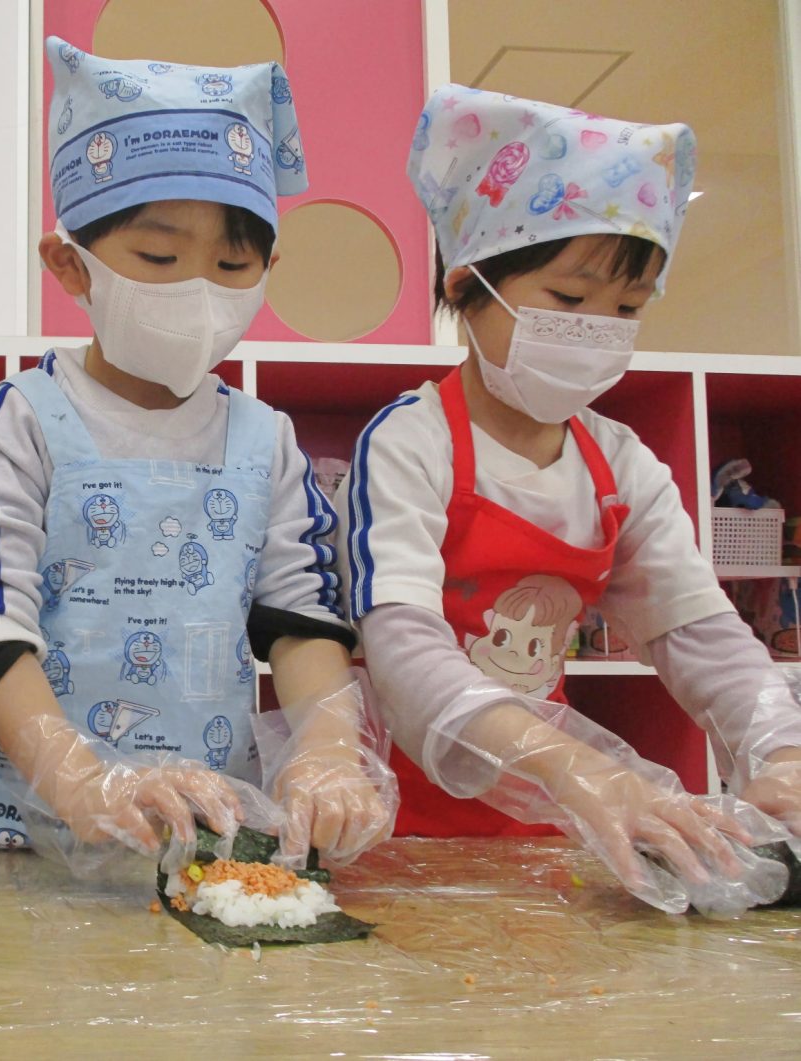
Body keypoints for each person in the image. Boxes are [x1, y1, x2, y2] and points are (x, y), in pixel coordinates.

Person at [0, 39, 395, 867]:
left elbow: (300, 617)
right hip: (14, 825)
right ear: (70, 264)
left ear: (267, 268)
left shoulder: (264, 439)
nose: (197, 288)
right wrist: (79, 780)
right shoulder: (21, 421)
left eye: (231, 263)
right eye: (158, 257)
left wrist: (324, 749)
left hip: (199, 822)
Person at [339, 84, 801, 907]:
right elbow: (403, 654)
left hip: (550, 830)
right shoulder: (410, 442)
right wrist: (575, 766)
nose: (597, 328)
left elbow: (701, 636)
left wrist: (782, 752)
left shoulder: (619, 464)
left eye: (626, 308)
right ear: (466, 283)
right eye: (566, 299)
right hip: (398, 830)